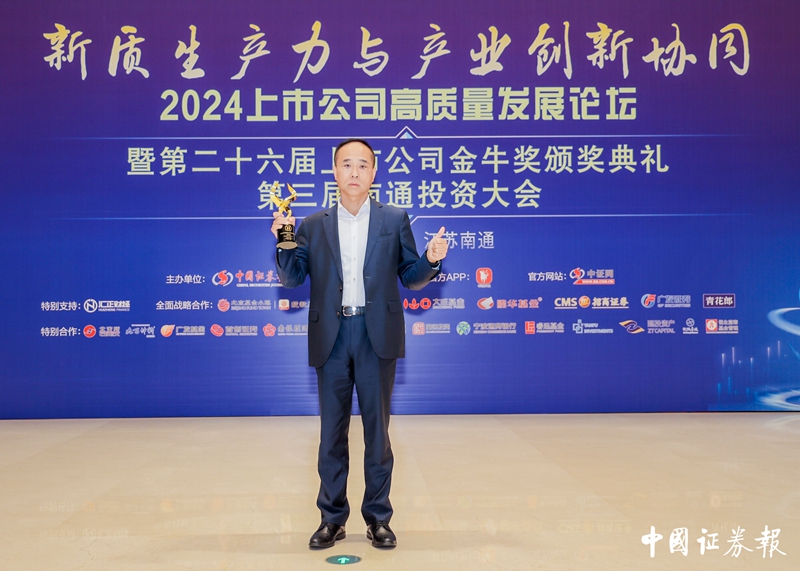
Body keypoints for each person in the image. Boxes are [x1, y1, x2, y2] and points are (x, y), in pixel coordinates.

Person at [271, 138, 448, 549]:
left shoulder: (394, 219)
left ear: (374, 172)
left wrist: (430, 259)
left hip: (376, 335)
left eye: (362, 165)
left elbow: (410, 277)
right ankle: (331, 519)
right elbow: (292, 279)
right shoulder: (311, 225)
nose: (354, 172)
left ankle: (378, 519)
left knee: (377, 435)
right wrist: (283, 239)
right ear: (334, 172)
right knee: (331, 435)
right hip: (331, 338)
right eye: (347, 164)